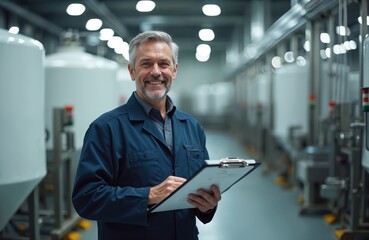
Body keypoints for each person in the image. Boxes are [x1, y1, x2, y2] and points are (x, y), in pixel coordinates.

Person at [72, 30, 221, 240]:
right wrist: (148, 195)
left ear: (175, 70)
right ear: (132, 71)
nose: (156, 71)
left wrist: (207, 205)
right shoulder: (106, 128)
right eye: (146, 64)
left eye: (163, 63)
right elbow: (86, 198)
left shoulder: (191, 126)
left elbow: (198, 192)